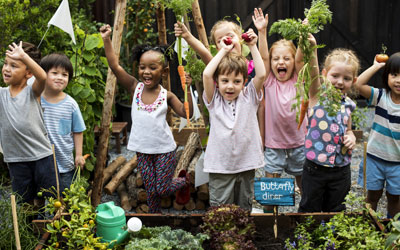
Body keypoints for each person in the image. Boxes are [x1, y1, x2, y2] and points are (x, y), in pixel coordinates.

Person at [100, 24, 194, 213]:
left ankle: (184, 181)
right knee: (151, 190)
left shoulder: (167, 96)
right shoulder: (135, 87)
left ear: (164, 72)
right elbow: (114, 65)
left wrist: (187, 89)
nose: (146, 72)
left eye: (153, 67)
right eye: (142, 67)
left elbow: (187, 114)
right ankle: (155, 217)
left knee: (162, 188)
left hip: (164, 150)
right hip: (143, 150)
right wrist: (106, 39)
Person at [174, 8, 267, 143]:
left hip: (247, 129)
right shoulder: (218, 67)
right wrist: (187, 36)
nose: (225, 40)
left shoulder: (252, 67)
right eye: (220, 40)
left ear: (240, 39)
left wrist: (261, 137)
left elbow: (261, 103)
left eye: (230, 36)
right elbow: (204, 52)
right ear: (218, 47)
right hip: (224, 128)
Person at [202, 27, 266, 210]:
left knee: (243, 205)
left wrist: (253, 46)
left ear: (245, 82)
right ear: (217, 82)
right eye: (225, 81)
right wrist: (223, 50)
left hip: (246, 163)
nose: (230, 86)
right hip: (220, 166)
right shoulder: (213, 100)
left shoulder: (249, 96)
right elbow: (207, 74)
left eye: (236, 81)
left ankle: (240, 237)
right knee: (220, 208)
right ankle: (222, 238)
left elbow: (261, 74)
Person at [255, 11, 306, 214]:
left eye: (287, 58)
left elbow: (303, 58)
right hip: (274, 145)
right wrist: (262, 32)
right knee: (270, 194)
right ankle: (269, 220)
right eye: (277, 59)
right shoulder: (268, 81)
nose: (280, 62)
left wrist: (303, 35)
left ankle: (307, 216)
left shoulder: (299, 79)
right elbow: (264, 57)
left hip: (299, 144)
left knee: (306, 187)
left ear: (294, 62)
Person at [298, 47, 359, 212]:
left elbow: (348, 130)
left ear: (353, 81)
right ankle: (306, 237)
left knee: (336, 208)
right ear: (324, 74)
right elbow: (312, 71)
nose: (340, 82)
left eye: (346, 78)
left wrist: (351, 137)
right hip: (315, 168)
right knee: (310, 207)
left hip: (341, 170)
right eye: (335, 76)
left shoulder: (348, 105)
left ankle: (330, 237)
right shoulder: (317, 95)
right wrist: (311, 48)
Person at [0, 41, 58, 204]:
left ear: (28, 73)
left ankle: (53, 226)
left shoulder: (32, 91)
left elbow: (43, 77)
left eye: (14, 66)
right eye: (5, 64)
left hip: (41, 157)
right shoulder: (2, 94)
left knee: (53, 199)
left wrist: (24, 57)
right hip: (16, 160)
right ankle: (31, 228)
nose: (6, 69)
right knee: (24, 201)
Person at [356, 53, 400, 218]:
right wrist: (376, 66)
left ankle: (392, 231)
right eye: (394, 74)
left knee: (395, 198)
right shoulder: (380, 96)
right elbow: (358, 85)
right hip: (375, 158)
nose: (398, 80)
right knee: (372, 196)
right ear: (387, 75)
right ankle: (368, 226)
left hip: (397, 163)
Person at [40, 53, 86, 191]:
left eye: (65, 75)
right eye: (54, 73)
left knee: (65, 196)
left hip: (64, 163)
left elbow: (78, 131)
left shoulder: (71, 104)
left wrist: (78, 155)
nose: (60, 77)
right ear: (42, 75)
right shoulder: (36, 100)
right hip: (41, 162)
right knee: (41, 195)